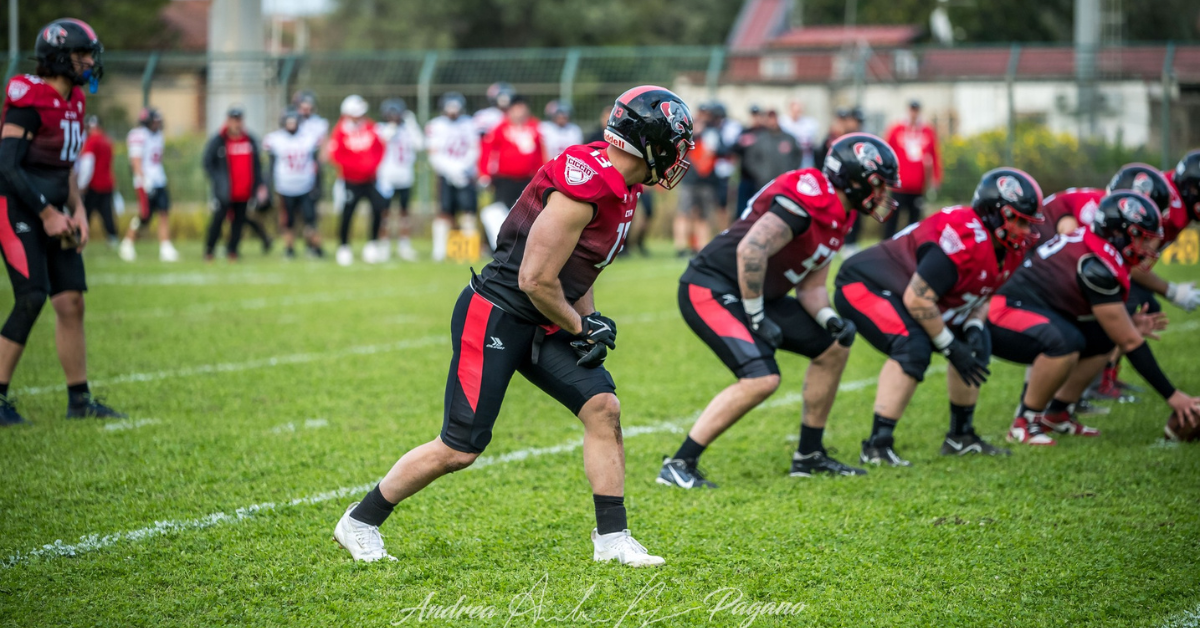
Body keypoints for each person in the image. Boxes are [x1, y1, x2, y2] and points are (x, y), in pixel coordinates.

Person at [333, 85, 694, 567]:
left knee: (602, 407)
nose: (680, 156)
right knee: (460, 448)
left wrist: (587, 318)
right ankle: (360, 520)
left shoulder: (622, 184)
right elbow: (535, 279)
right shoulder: (585, 187)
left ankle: (612, 538)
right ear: (651, 143)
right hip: (498, 313)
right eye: (677, 144)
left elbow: (579, 267)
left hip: (543, 316)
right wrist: (579, 327)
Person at [659, 135, 901, 487]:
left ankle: (809, 455)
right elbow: (752, 250)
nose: (883, 194)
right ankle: (679, 464)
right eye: (878, 183)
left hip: (757, 294)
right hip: (711, 286)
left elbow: (811, 287)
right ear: (854, 177)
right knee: (762, 377)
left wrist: (830, 320)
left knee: (833, 346)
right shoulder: (810, 193)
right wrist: (757, 317)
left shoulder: (842, 214)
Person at [834, 168, 1045, 464]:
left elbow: (983, 291)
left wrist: (973, 326)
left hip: (914, 293)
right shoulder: (962, 238)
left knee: (976, 342)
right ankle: (877, 446)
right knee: (912, 345)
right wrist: (949, 346)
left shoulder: (1009, 249)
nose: (1025, 231)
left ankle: (961, 437)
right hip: (866, 284)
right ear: (993, 214)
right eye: (1019, 221)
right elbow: (918, 298)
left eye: (1028, 223)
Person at [990, 191, 1200, 444]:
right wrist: (1173, 395)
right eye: (1143, 238)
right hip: (1004, 310)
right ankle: (1024, 422)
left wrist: (1127, 325)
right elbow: (1129, 341)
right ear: (1121, 234)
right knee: (1064, 342)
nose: (1148, 248)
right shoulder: (1095, 264)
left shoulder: (1099, 250)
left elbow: (1110, 325)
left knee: (1103, 338)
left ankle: (1056, 414)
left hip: (1037, 308)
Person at [0, 18, 125, 425]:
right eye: (81, 54)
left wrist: (78, 210)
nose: (89, 61)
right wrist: (46, 213)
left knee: (71, 300)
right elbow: (7, 166)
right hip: (17, 208)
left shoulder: (75, 101)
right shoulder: (30, 97)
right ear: (58, 56)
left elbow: (65, 166)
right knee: (32, 295)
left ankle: (79, 400)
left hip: (56, 211)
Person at [478, 95, 544, 251]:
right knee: (501, 212)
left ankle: (523, 246)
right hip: (505, 179)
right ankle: (500, 246)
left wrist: (541, 175)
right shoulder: (500, 128)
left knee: (527, 213)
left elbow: (540, 154)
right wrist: (484, 173)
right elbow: (488, 151)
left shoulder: (534, 127)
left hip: (527, 179)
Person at [202, 106, 268, 261]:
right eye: (233, 120)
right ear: (228, 121)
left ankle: (232, 250)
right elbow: (207, 163)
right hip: (225, 191)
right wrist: (218, 180)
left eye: (239, 120)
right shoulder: (219, 140)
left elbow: (257, 165)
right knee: (218, 220)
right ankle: (209, 250)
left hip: (244, 190)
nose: (236, 124)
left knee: (238, 222)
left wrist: (259, 185)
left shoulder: (250, 140)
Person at [327, 95, 385, 266]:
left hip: (370, 179)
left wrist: (371, 166)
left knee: (378, 208)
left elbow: (380, 148)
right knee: (348, 213)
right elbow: (336, 155)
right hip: (350, 180)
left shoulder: (370, 126)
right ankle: (344, 246)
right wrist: (357, 168)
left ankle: (372, 244)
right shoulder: (340, 131)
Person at [118, 107, 179, 262]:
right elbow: (135, 161)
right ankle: (127, 242)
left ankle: (165, 247)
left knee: (164, 212)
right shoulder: (138, 135)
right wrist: (144, 180)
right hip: (144, 182)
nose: (157, 124)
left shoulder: (158, 135)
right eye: (154, 121)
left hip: (159, 180)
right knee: (145, 216)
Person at [426, 92, 480, 262]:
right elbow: (433, 153)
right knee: (444, 211)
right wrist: (450, 170)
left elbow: (474, 148)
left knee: (468, 211)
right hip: (445, 174)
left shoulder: (469, 123)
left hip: (466, 173)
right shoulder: (436, 125)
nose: (453, 113)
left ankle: (468, 249)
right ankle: (439, 250)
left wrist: (463, 168)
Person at [264, 109, 324, 259]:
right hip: (284, 187)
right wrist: (268, 186)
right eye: (288, 122)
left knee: (310, 219)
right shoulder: (276, 139)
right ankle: (289, 249)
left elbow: (316, 164)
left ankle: (314, 247)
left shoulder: (308, 137)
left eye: (294, 122)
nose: (291, 125)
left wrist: (318, 185)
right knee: (288, 221)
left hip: (306, 186)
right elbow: (271, 165)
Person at [883, 100, 941, 239]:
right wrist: (885, 176)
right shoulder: (897, 129)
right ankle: (887, 243)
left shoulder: (927, 131)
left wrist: (936, 177)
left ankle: (911, 245)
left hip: (917, 186)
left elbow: (934, 155)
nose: (914, 113)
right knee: (892, 218)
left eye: (916, 110)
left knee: (914, 221)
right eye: (912, 109)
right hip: (898, 185)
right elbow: (886, 152)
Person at [375, 98, 423, 262]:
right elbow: (383, 139)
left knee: (404, 214)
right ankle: (384, 246)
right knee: (385, 215)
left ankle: (404, 246)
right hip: (386, 178)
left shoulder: (407, 129)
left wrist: (412, 124)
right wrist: (393, 127)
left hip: (405, 177)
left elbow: (420, 144)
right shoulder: (381, 128)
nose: (394, 117)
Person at [672, 106, 719, 257]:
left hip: (706, 181)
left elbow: (720, 150)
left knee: (703, 216)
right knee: (684, 213)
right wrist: (696, 134)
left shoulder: (712, 132)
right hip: (689, 179)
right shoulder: (687, 132)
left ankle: (701, 247)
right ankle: (680, 247)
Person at [77, 115, 117, 246]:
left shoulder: (92, 141)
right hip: (107, 183)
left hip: (94, 184)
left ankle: (80, 236)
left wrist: (82, 184)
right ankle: (112, 237)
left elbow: (87, 165)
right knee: (107, 213)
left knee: (85, 212)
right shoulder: (107, 140)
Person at [779, 100, 819, 169]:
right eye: (795, 111)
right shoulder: (782, 122)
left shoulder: (809, 123)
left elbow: (813, 143)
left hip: (805, 161)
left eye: (798, 111)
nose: (796, 113)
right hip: (789, 160)